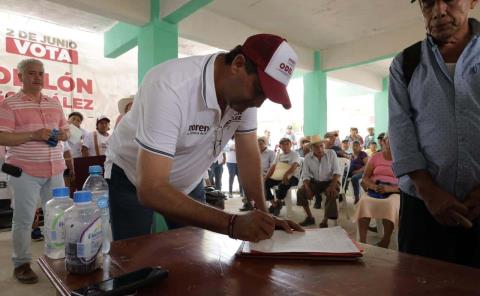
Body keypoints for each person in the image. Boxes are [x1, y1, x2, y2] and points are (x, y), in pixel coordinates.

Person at [105, 33, 303, 242]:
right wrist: (232, 223)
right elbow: (152, 188)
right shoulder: (170, 86)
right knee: (134, 260)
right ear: (237, 63)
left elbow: (248, 156)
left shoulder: (245, 97)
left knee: (193, 259)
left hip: (189, 182)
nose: (259, 103)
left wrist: (264, 218)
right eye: (260, 90)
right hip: (132, 178)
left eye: (266, 97)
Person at [389, 0, 480, 268]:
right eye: (428, 2)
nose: (439, 10)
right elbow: (400, 128)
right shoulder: (406, 63)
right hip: (422, 206)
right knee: (418, 283)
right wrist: (428, 190)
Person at [0, 58, 69, 284]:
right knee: (24, 219)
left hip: (55, 169)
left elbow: (66, 130)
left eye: (41, 73)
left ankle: (55, 257)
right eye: (31, 73)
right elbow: (2, 136)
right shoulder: (10, 104)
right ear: (20, 77)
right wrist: (33, 134)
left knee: (56, 217)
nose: (37, 77)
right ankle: (21, 263)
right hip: (25, 171)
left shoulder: (54, 103)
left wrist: (61, 134)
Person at [356, 134, 400, 248]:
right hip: (376, 188)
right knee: (364, 202)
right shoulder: (375, 157)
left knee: (389, 203)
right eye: (388, 141)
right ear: (383, 143)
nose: (390, 144)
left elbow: (407, 183)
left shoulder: (401, 158)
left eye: (394, 141)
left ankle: (385, 240)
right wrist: (374, 187)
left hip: (395, 190)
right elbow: (365, 177)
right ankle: (362, 242)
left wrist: (390, 188)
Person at [297, 135, 342, 228]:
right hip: (316, 182)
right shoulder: (308, 157)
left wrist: (332, 186)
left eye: (321, 145)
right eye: (316, 147)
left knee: (331, 193)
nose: (320, 148)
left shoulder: (331, 153)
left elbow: (337, 172)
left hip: (331, 181)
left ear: (324, 145)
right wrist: (308, 188)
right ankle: (310, 217)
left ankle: (325, 220)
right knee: (301, 192)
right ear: (312, 148)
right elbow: (305, 175)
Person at [264, 137, 300, 216]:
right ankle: (274, 204)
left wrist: (285, 175)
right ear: (280, 146)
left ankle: (279, 202)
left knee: (283, 184)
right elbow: (272, 167)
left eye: (287, 144)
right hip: (279, 176)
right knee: (264, 183)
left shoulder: (294, 154)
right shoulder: (279, 155)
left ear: (290, 145)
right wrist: (266, 177)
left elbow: (294, 166)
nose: (285, 146)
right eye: (283, 145)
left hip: (293, 177)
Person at [239, 136, 275, 211]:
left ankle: (266, 204)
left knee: (259, 182)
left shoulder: (271, 153)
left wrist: (264, 174)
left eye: (261, 143)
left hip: (267, 174)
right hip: (257, 174)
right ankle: (249, 202)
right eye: (257, 144)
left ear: (265, 144)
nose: (259, 145)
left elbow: (272, 167)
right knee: (245, 181)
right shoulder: (255, 152)